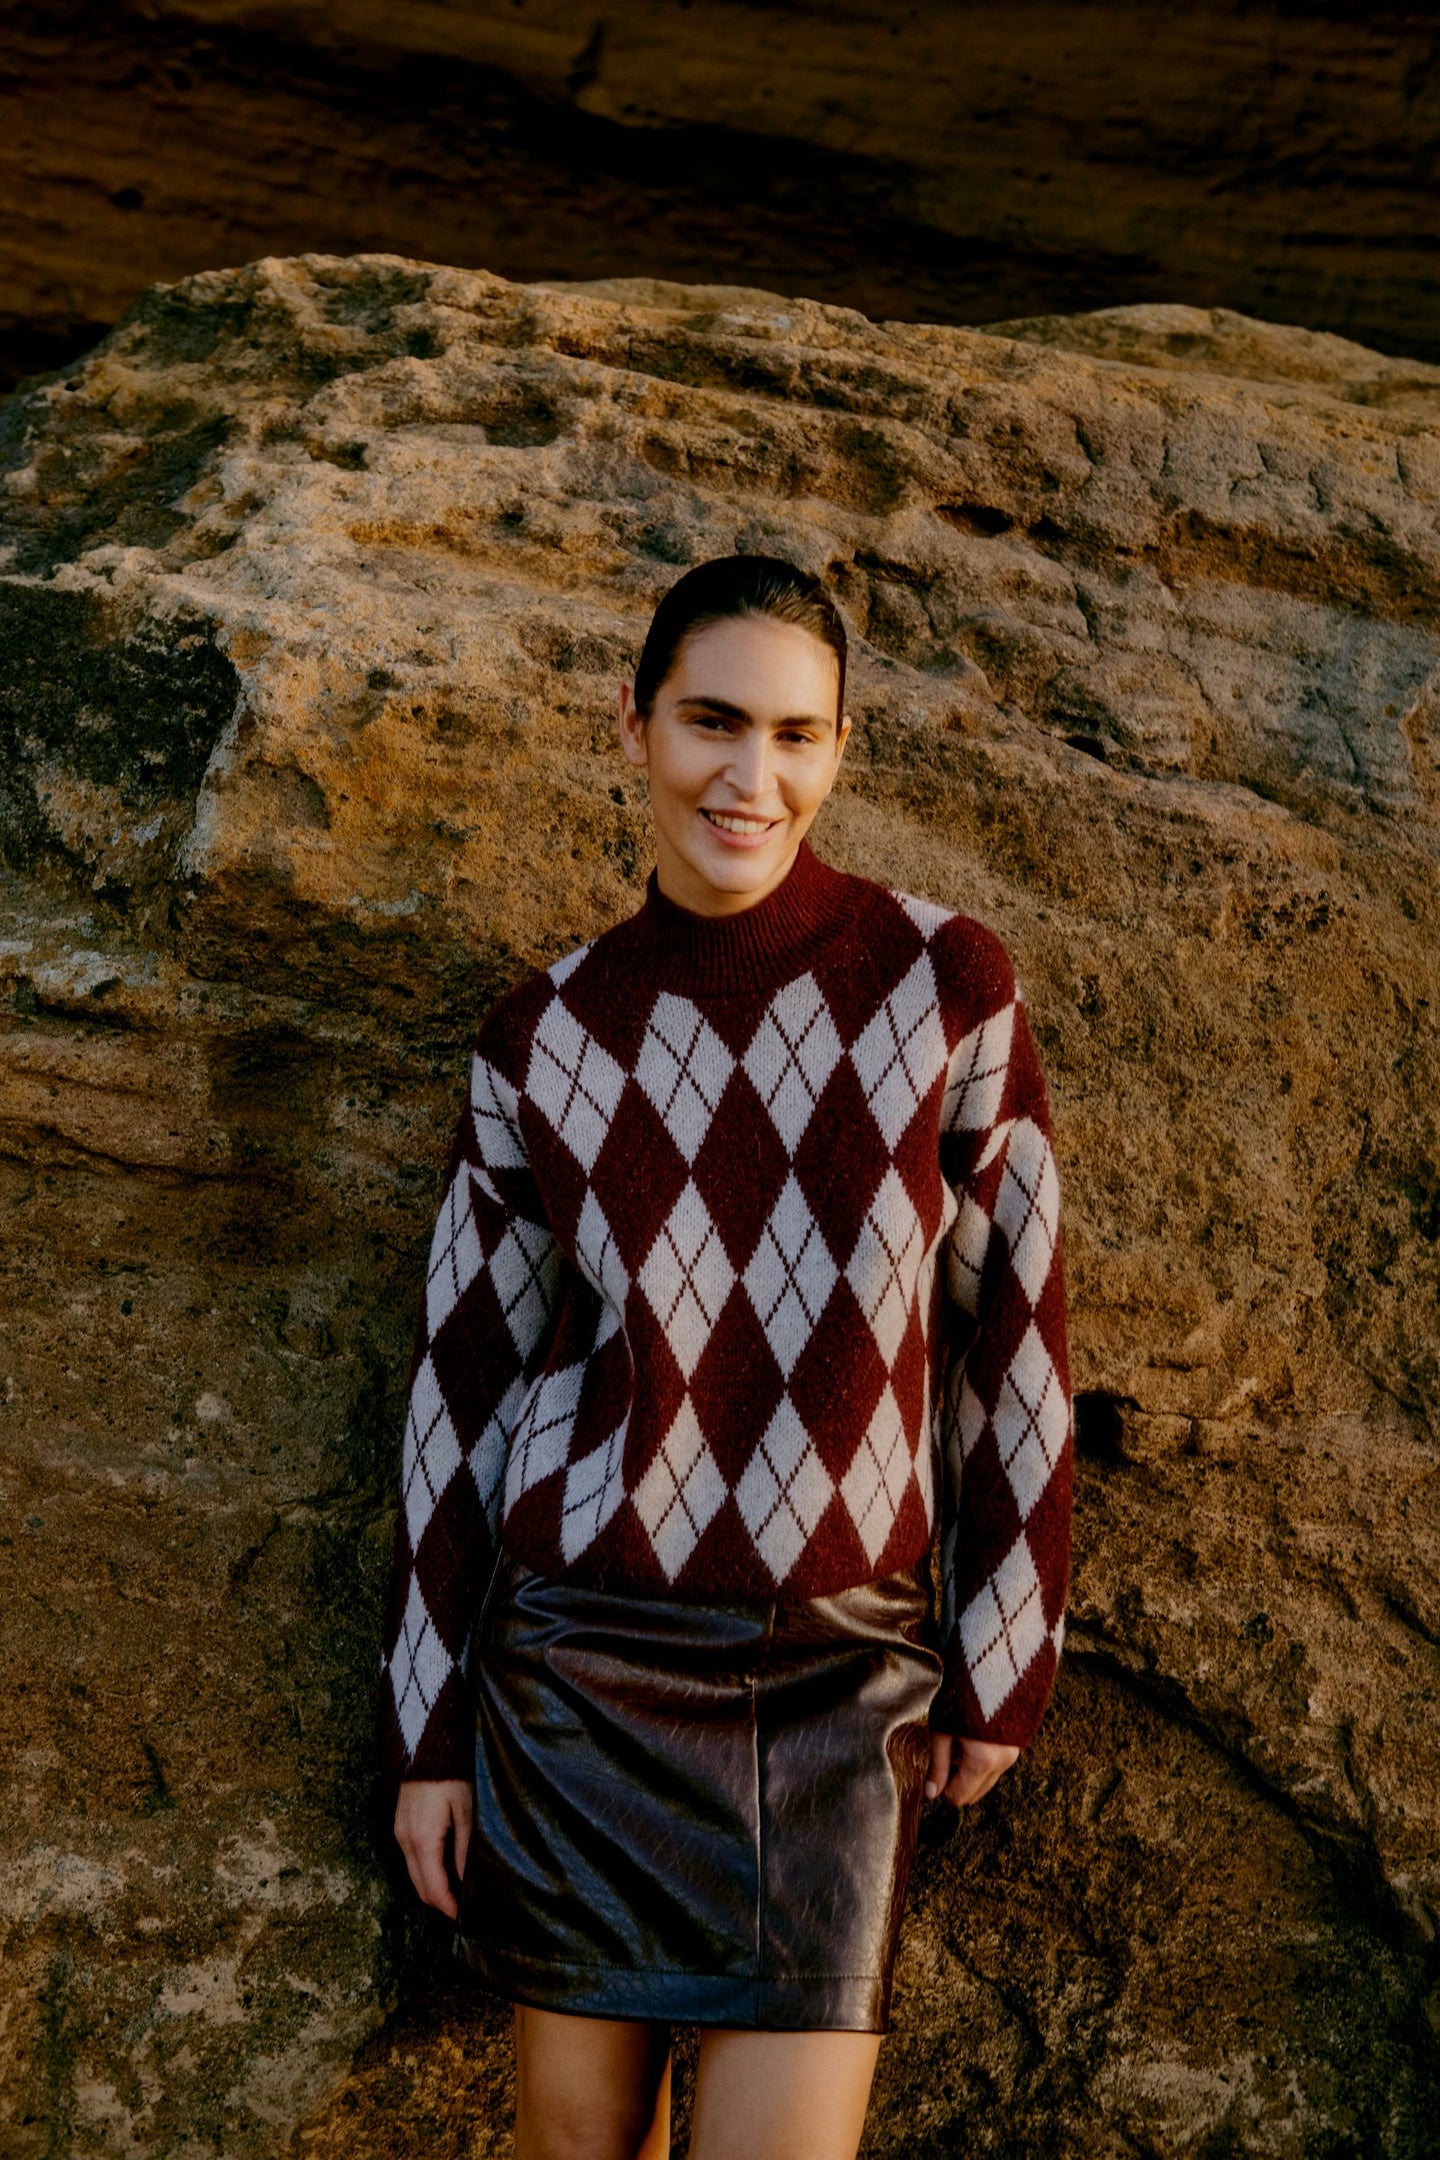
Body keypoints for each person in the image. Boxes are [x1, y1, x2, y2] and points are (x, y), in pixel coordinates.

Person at [375, 554, 1074, 2160]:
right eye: (710, 721)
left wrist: (1004, 1648)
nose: (751, 778)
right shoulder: (542, 1032)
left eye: (798, 735)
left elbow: (1014, 1338)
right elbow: (463, 1390)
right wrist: (428, 1729)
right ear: (631, 725)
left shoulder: (947, 987)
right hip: (582, 1668)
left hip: (848, 1677)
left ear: (837, 753)